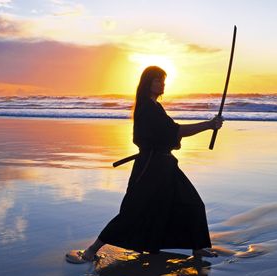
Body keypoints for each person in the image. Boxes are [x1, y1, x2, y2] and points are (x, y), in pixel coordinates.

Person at [68, 66, 223, 263]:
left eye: (163, 80)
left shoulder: (153, 106)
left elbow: (169, 133)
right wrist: (208, 125)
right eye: (157, 80)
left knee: (191, 203)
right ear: (147, 83)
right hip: (150, 167)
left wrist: (208, 125)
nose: (162, 83)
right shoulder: (147, 108)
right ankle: (91, 250)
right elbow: (175, 132)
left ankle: (198, 248)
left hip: (165, 165)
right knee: (134, 210)